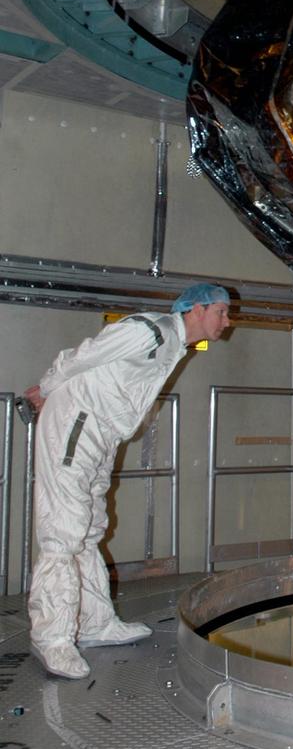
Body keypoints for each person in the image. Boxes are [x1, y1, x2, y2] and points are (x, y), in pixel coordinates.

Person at [24, 283, 231, 679]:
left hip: (100, 433)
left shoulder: (174, 345)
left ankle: (95, 622)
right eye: (221, 311)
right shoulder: (148, 330)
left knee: (89, 527)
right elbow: (82, 357)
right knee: (64, 531)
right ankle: (51, 638)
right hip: (75, 424)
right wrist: (47, 389)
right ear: (197, 309)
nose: (227, 320)